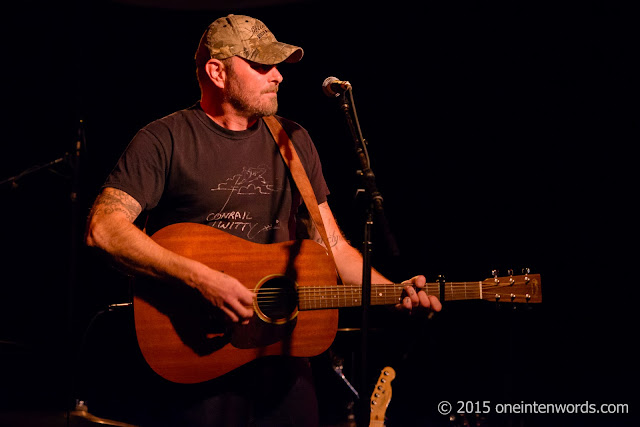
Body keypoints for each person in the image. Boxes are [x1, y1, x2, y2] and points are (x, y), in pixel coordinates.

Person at [84, 14, 441, 426]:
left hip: (284, 367)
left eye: (278, 66)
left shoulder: (293, 140)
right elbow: (104, 229)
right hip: (196, 361)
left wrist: (393, 293)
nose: (277, 77)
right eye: (261, 65)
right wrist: (201, 278)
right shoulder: (163, 140)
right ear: (217, 72)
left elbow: (335, 248)